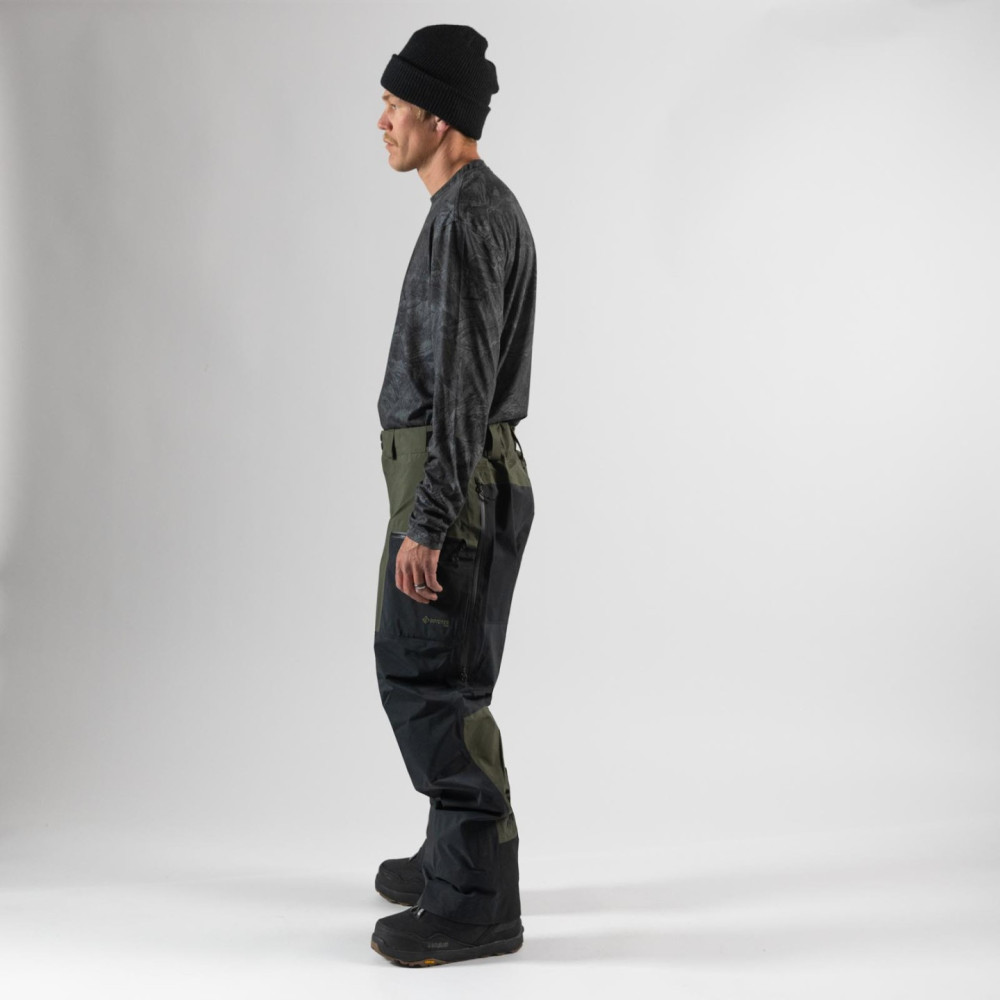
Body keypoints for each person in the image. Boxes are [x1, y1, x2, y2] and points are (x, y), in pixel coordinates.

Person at [368, 24, 537, 967]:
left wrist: (428, 522)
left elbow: (464, 389)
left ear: (439, 116)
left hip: (453, 488)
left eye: (396, 102)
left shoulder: (467, 221)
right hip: (467, 479)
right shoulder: (477, 207)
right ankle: (454, 854)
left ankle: (476, 902)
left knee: (425, 679)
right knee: (448, 677)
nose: (383, 119)